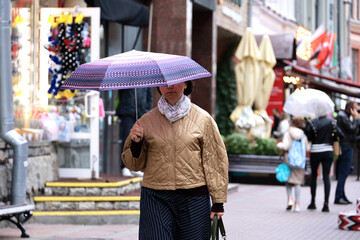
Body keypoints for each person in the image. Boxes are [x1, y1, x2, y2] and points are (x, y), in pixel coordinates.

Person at [122, 81, 228, 239]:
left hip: (194, 198)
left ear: (186, 84)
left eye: (174, 82)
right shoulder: (145, 121)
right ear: (158, 87)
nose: (169, 86)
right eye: (164, 83)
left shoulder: (203, 119)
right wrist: (136, 145)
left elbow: (215, 161)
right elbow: (133, 165)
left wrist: (218, 201)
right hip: (156, 199)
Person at [305, 112, 344, 212]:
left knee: (314, 176)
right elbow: (340, 135)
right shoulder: (332, 122)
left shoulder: (312, 122)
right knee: (326, 177)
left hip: (315, 151)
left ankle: (313, 202)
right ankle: (326, 204)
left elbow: (308, 136)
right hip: (328, 151)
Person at [115, 88, 153, 177]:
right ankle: (124, 166)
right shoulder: (125, 78)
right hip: (127, 112)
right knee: (126, 139)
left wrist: (147, 111)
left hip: (141, 113)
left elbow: (149, 97)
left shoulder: (146, 79)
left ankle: (135, 166)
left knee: (138, 140)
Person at [277, 117, 310, 212]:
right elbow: (307, 148)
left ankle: (289, 199)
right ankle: (297, 204)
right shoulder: (303, 135)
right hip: (300, 161)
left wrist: (279, 145)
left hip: (289, 159)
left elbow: (285, 146)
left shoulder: (288, 133)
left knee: (288, 180)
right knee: (297, 182)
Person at [334, 101, 359, 205]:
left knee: (344, 172)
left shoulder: (345, 116)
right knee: (343, 172)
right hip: (345, 146)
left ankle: (341, 195)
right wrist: (357, 119)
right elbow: (352, 129)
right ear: (350, 108)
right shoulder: (342, 116)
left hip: (347, 145)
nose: (357, 110)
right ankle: (339, 196)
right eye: (355, 108)